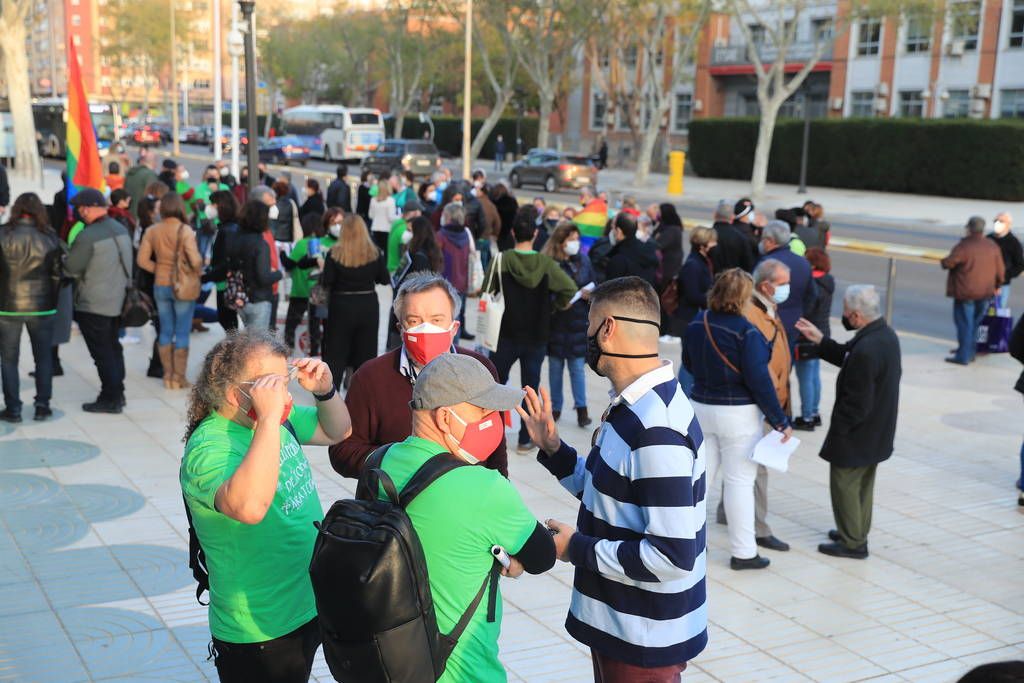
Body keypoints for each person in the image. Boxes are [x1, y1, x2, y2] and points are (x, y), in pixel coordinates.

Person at [518, 276, 708, 681]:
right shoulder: (633, 409)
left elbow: (673, 556)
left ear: (607, 328)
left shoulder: (658, 427)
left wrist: (577, 548)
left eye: (589, 325)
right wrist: (554, 449)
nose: (585, 334)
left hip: (643, 638)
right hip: (622, 626)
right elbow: (609, 493)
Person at [370, 352, 555, 682]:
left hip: (391, 660)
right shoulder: (485, 488)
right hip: (461, 670)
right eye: (482, 410)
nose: (491, 419)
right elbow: (542, 556)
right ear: (444, 418)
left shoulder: (377, 463)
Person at [181, 330, 350, 683]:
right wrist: (270, 420)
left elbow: (337, 431)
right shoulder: (209, 448)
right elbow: (250, 508)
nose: (284, 397)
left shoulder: (272, 421)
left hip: (306, 601)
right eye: (271, 387)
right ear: (235, 394)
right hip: (259, 628)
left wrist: (325, 391)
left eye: (284, 383)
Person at [331, 272, 510, 480]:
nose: (426, 329)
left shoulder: (481, 368)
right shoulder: (370, 377)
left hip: (471, 499)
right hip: (400, 506)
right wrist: (398, 462)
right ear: (400, 328)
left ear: (454, 327)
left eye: (436, 320)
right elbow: (342, 452)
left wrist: (500, 491)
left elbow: (497, 448)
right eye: (414, 321)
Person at [683, 268, 791, 570]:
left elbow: (689, 365)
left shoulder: (696, 324)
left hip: (701, 408)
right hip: (739, 415)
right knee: (740, 483)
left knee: (698, 482)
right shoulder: (747, 332)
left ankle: (688, 545)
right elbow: (760, 382)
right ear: (743, 297)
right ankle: (744, 552)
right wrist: (780, 420)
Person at [796, 285, 901, 559]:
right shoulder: (883, 335)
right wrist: (821, 341)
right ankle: (854, 530)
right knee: (863, 486)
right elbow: (847, 357)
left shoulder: (867, 348)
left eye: (845, 312)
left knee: (845, 485)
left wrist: (839, 434)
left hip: (859, 433)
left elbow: (856, 402)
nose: (843, 316)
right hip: (877, 430)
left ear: (856, 316)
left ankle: (853, 543)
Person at [485, 207, 576, 452]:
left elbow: (488, 292)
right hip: (536, 334)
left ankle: (492, 435)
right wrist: (553, 307)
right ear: (535, 234)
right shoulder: (546, 264)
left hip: (504, 332)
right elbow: (569, 288)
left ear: (513, 232)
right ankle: (526, 439)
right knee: (530, 387)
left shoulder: (500, 260)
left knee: (495, 383)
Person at [726, 259, 793, 554]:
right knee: (756, 468)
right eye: (783, 284)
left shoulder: (766, 307)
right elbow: (758, 368)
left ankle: (724, 511)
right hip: (761, 403)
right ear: (766, 285)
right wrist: (776, 412)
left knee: (741, 465)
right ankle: (758, 528)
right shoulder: (753, 314)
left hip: (769, 399)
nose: (787, 290)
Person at [65, 189, 133, 413]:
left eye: (81, 208)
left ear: (88, 208)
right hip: (118, 301)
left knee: (102, 354)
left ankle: (110, 398)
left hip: (94, 304)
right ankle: (118, 392)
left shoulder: (88, 236)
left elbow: (70, 268)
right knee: (114, 349)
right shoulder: (120, 228)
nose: (79, 212)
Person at [0, 193, 63, 422]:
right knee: (43, 358)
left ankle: (13, 409)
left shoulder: (3, 235)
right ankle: (42, 406)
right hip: (42, 306)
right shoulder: (49, 237)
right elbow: (58, 275)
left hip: (7, 306)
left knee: (8, 360)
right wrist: (51, 301)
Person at [136, 192, 203, 390]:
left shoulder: (152, 230)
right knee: (182, 331)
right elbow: (195, 260)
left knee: (165, 330)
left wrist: (161, 269)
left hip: (160, 284)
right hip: (182, 286)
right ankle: (178, 377)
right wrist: (195, 269)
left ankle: (167, 375)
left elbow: (142, 260)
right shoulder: (186, 231)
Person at [321, 214, 389, 386]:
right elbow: (384, 279)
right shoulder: (374, 253)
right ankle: (362, 395)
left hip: (341, 305)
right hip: (367, 305)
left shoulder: (334, 254)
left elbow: (327, 281)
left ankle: (331, 395)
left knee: (336, 353)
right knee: (366, 354)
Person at [541, 222, 595, 428]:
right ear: (560, 241)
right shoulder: (550, 262)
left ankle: (582, 409)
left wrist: (590, 294)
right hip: (557, 321)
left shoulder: (584, 260)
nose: (575, 243)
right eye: (571, 239)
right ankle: (555, 408)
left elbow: (592, 282)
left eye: (576, 239)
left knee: (577, 367)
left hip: (578, 321)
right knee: (555, 367)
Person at [941, 216, 1005, 365]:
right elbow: (1001, 271)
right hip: (985, 293)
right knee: (975, 324)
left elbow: (949, 262)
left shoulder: (964, 246)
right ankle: (970, 353)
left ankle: (963, 356)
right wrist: (997, 285)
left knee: (965, 324)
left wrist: (944, 261)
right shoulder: (992, 246)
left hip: (965, 292)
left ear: (969, 229)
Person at [793, 247, 835, 431]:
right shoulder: (829, 281)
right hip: (823, 333)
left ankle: (807, 417)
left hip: (806, 333)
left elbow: (805, 309)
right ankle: (815, 412)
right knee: (814, 375)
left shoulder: (811, 284)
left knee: (805, 377)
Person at [757, 220, 815, 350]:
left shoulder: (765, 264)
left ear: (769, 241)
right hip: (793, 324)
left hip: (766, 323)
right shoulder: (803, 263)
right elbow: (812, 295)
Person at [226, 200, 283, 330]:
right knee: (256, 347)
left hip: (239, 297)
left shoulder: (234, 239)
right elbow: (263, 278)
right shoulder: (260, 244)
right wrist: (279, 273)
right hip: (258, 300)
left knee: (248, 342)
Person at [675, 226, 716, 395]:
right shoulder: (693, 265)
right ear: (703, 245)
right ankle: (682, 396)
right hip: (689, 319)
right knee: (689, 361)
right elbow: (692, 294)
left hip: (695, 317)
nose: (716, 245)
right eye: (713, 242)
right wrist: (714, 300)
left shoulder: (701, 261)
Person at [280, 214, 324, 353]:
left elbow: (289, 264)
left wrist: (281, 253)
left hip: (300, 291)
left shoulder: (303, 243)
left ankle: (288, 354)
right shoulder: (322, 243)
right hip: (317, 292)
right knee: (315, 327)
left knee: (291, 326)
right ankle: (315, 355)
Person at [203, 191, 242, 333]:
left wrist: (205, 277)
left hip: (226, 284)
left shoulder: (229, 230)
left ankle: (234, 353)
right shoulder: (227, 227)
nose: (209, 208)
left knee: (228, 321)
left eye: (212, 204)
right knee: (227, 321)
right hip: (222, 281)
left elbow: (226, 262)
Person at [436, 203, 475, 340]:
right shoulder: (465, 234)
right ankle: (456, 350)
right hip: (462, 283)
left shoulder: (441, 236)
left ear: (447, 217)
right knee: (456, 321)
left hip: (445, 284)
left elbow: (436, 259)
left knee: (444, 322)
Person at [605, 212, 659, 286]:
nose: (612, 231)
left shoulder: (619, 258)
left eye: (613, 228)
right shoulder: (648, 249)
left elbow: (609, 292)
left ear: (619, 232)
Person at [988, 212, 1023, 310]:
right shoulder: (988, 239)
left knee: (997, 313)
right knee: (982, 315)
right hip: (984, 283)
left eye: (1001, 221)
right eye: (995, 221)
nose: (997, 223)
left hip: (1002, 285)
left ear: (1008, 224)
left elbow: (1019, 265)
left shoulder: (1014, 242)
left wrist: (1004, 276)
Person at [711, 199, 756, 273]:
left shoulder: (707, 236)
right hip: (734, 280)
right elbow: (748, 265)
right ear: (732, 217)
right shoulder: (741, 238)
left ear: (715, 215)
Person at [386, 199, 422, 274]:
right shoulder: (405, 231)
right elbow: (405, 254)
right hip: (398, 271)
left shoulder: (397, 223)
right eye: (420, 212)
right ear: (415, 213)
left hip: (391, 267)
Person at [124, 150, 159, 219]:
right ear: (154, 162)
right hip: (141, 215)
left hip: (128, 213)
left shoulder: (131, 172)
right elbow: (152, 197)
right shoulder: (150, 175)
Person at [368, 178, 396, 254]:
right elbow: (391, 217)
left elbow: (370, 215)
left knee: (376, 252)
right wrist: (399, 217)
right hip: (386, 229)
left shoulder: (373, 200)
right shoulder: (391, 200)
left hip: (375, 228)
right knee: (386, 252)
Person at [269, 180, 297, 244]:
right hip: (288, 239)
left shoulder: (274, 206)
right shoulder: (291, 203)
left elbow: (272, 226)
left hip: (276, 240)